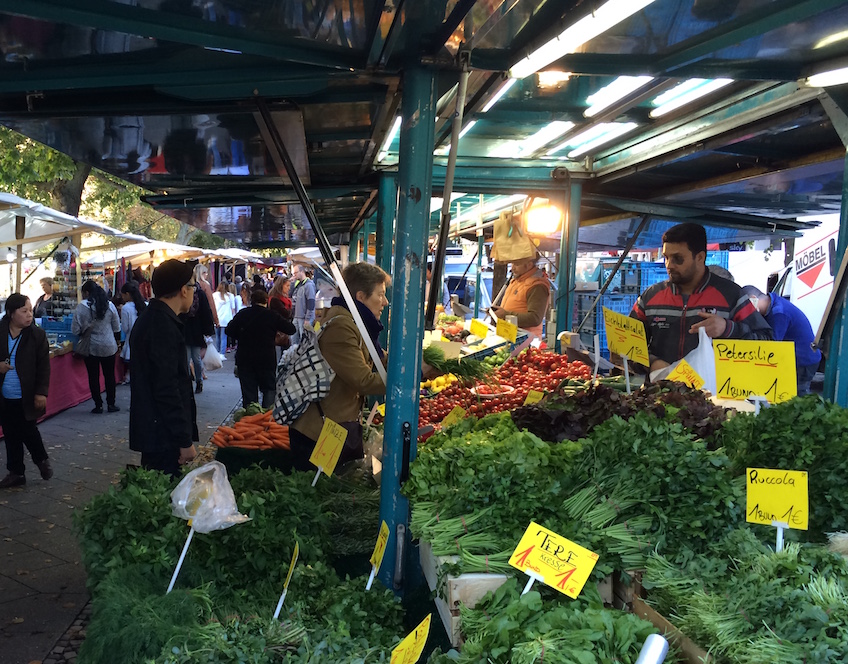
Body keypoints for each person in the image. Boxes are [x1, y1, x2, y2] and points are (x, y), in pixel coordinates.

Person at [631, 223, 772, 372]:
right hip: (659, 392)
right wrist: (652, 363)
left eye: (677, 259)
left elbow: (768, 343)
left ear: (700, 257)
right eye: (666, 257)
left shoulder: (731, 295)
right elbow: (628, 346)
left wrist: (728, 328)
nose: (669, 265)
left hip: (713, 393)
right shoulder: (650, 297)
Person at [290, 262, 389, 471]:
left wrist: (409, 362)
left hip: (333, 425)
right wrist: (407, 380)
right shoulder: (341, 326)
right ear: (361, 297)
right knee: (321, 494)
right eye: (380, 295)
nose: (385, 302)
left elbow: (376, 356)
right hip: (320, 431)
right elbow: (363, 380)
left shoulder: (357, 323)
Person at [129, 259, 197, 475]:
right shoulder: (162, 325)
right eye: (193, 286)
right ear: (183, 290)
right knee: (165, 493)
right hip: (162, 435)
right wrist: (184, 440)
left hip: (156, 430)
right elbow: (166, 388)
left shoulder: (155, 318)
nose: (194, 292)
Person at [0, 294, 51, 488]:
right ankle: (16, 472)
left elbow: (44, 366)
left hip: (27, 394)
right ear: (12, 313)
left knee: (28, 429)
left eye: (30, 310)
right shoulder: (0, 331)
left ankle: (41, 460)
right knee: (10, 433)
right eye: (24, 311)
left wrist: (41, 392)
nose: (30, 315)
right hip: (5, 395)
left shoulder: (37, 335)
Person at [741, 285, 821, 396]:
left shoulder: (779, 313)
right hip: (797, 358)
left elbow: (772, 345)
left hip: (804, 361)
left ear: (753, 299)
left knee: (798, 395)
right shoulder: (774, 306)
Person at [226, 290, 295, 409]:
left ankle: (251, 418)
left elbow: (229, 330)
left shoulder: (243, 314)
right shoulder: (272, 315)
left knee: (249, 394)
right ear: (266, 301)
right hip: (266, 359)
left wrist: (242, 336)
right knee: (269, 389)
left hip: (245, 358)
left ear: (251, 301)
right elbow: (291, 329)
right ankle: (266, 417)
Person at [72, 280, 121, 414]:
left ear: (86, 292)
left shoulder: (81, 307)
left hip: (91, 347)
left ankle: (98, 405)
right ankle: (111, 404)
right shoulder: (109, 305)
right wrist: (118, 343)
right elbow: (117, 327)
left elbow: (75, 330)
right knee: (109, 376)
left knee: (93, 376)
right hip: (109, 345)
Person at [489, 254, 551, 340]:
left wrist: (505, 314)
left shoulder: (537, 286)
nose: (512, 268)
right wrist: (497, 312)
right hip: (509, 336)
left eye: (516, 264)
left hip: (525, 341)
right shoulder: (516, 281)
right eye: (512, 264)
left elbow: (535, 318)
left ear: (529, 264)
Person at [182, 273, 215, 393]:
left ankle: (199, 381)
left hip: (196, 331)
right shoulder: (184, 293)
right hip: (186, 330)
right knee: (186, 359)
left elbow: (206, 311)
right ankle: (188, 381)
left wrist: (208, 329)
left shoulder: (200, 294)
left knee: (196, 358)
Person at [119, 282, 146, 384]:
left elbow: (125, 328)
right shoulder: (145, 305)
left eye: (123, 295)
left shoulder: (126, 308)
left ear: (127, 294)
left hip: (132, 340)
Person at [290, 263, 316, 345]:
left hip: (304, 317)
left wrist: (307, 318)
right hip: (297, 316)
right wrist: (291, 283)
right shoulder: (297, 284)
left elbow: (311, 302)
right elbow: (290, 294)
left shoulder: (309, 285)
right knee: (293, 338)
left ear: (301, 271)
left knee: (304, 340)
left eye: (295, 273)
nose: (294, 275)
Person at [212, 280, 236, 357]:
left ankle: (218, 351)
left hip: (217, 318)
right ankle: (222, 354)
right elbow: (233, 309)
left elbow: (212, 307)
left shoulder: (214, 295)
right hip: (227, 318)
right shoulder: (230, 296)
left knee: (218, 336)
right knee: (224, 337)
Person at [194, 263, 219, 328]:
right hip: (203, 315)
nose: (207, 275)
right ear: (202, 273)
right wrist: (216, 320)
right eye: (206, 273)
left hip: (193, 316)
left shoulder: (191, 285)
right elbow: (211, 302)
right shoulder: (205, 285)